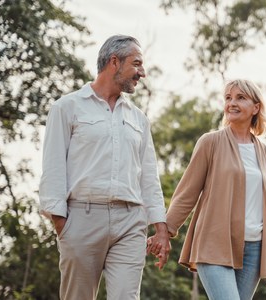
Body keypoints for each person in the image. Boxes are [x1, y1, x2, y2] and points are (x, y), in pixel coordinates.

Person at [39, 35, 171, 300]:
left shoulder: (139, 119)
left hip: (130, 223)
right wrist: (62, 224)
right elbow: (53, 169)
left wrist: (160, 227)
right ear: (114, 62)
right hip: (82, 219)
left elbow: (148, 176)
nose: (142, 73)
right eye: (136, 64)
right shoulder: (67, 108)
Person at [150, 79, 266, 299]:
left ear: (256, 107)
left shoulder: (264, 153)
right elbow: (187, 193)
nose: (232, 103)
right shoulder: (210, 142)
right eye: (228, 98)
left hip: (254, 250)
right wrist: (165, 231)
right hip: (214, 243)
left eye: (240, 98)